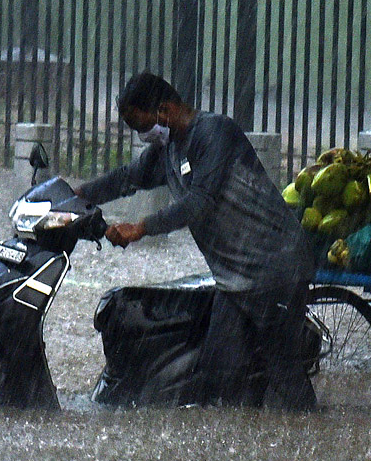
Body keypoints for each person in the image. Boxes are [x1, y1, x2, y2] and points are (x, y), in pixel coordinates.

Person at [78, 71, 317, 410]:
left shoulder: (214, 133)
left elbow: (199, 202)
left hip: (274, 267)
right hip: (233, 279)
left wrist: (141, 227)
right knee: (219, 371)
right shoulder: (169, 149)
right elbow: (127, 178)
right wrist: (77, 195)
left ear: (164, 109)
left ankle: (307, 431)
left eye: (142, 126)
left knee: (284, 370)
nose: (143, 136)